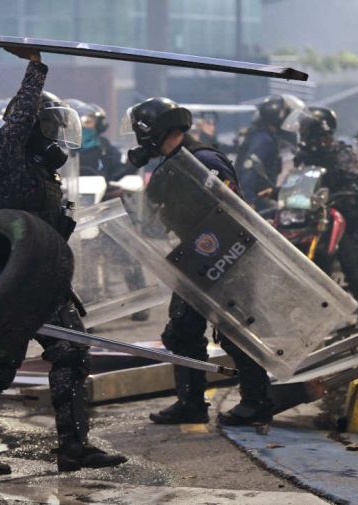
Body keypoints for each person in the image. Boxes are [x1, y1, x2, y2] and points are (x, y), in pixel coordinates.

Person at [0, 48, 127, 475]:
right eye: (46, 127)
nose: (54, 136)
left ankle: (73, 447)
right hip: (6, 280)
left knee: (71, 352)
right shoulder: (5, 162)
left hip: (42, 279)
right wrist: (36, 69)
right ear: (29, 130)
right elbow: (17, 120)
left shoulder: (40, 173)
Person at [124, 97, 275, 427]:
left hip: (226, 257)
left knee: (235, 331)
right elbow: (157, 218)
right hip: (196, 259)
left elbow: (227, 212)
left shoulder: (203, 161)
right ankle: (191, 403)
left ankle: (257, 401)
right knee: (181, 331)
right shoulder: (173, 165)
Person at [295, 107, 358, 302]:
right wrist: (277, 191)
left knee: (351, 262)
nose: (304, 134)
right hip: (308, 214)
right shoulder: (303, 155)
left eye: (307, 130)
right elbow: (297, 181)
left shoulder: (342, 153)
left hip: (338, 213)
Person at [75, 101, 149, 321]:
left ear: (99, 124)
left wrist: (122, 179)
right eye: (81, 121)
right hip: (78, 211)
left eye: (90, 121)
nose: (86, 125)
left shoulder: (106, 148)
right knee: (82, 261)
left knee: (127, 252)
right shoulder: (65, 150)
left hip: (106, 209)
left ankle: (140, 301)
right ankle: (85, 308)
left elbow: (119, 173)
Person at [235, 94, 304, 210]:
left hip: (261, 194)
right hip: (257, 198)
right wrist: (249, 200)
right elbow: (249, 168)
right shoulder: (264, 139)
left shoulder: (263, 136)